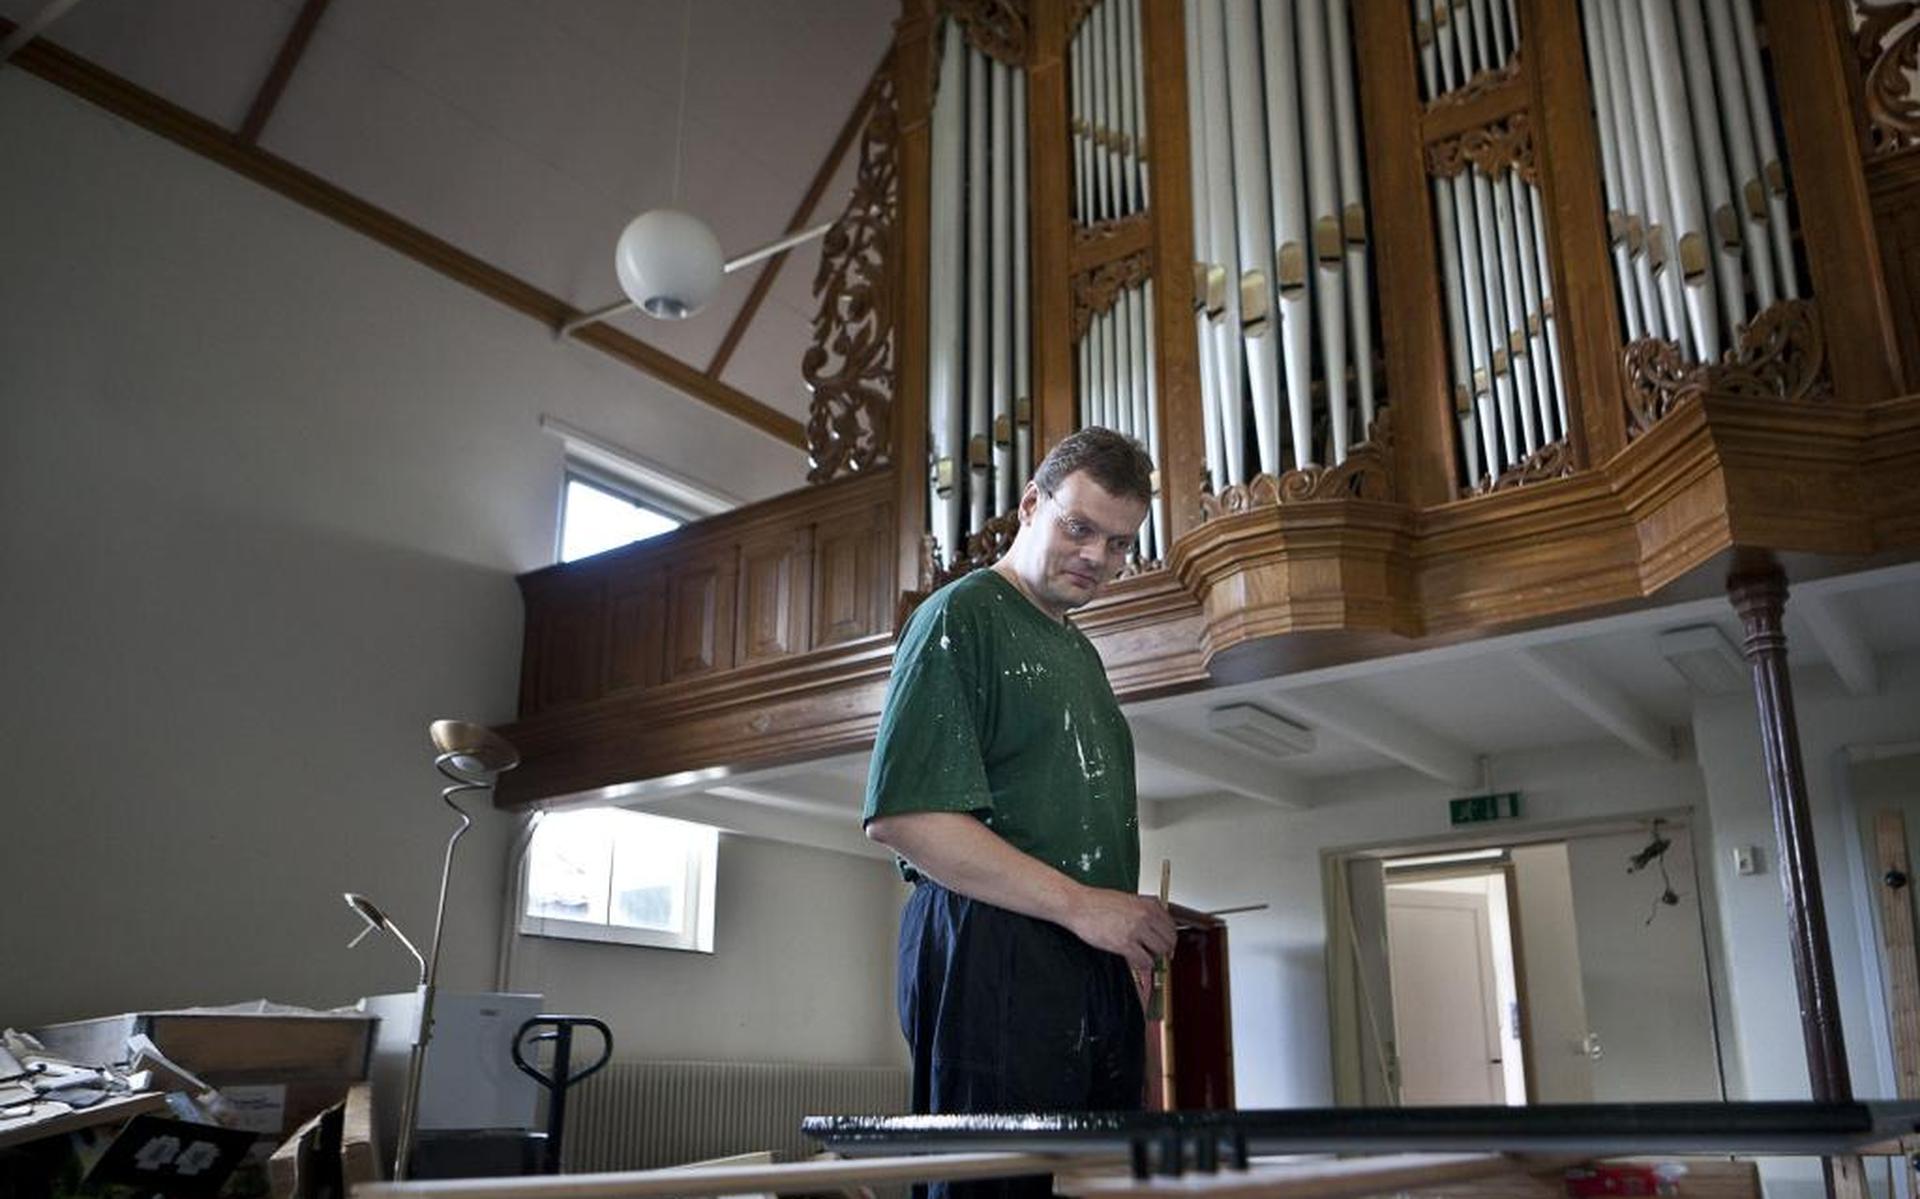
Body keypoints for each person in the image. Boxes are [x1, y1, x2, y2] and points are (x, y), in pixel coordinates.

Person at [863, 427, 1178, 1198]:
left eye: (1120, 543)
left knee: (1098, 1186)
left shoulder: (1083, 653)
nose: (1098, 558)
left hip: (1085, 955)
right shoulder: (959, 615)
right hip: (990, 944)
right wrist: (1084, 908)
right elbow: (906, 817)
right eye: (1080, 527)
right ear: (1031, 503)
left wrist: (1119, 944)